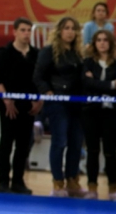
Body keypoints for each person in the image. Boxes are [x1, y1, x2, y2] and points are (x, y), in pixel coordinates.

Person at [33, 17, 86, 197]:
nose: (70, 32)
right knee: (60, 141)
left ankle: (72, 180)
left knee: (76, 142)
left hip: (76, 102)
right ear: (59, 31)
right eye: (66, 28)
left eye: (73, 28)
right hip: (57, 101)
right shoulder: (49, 51)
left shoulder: (79, 53)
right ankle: (57, 182)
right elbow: (38, 75)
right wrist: (47, 91)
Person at [0, 17, 42, 194]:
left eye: (29, 30)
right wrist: (6, 98)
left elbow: (41, 79)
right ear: (15, 32)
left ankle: (18, 181)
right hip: (8, 105)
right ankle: (3, 180)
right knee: (6, 142)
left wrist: (39, 100)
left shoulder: (36, 54)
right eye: (23, 30)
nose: (26, 33)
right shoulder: (4, 53)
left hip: (28, 106)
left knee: (23, 144)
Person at [81, 29, 116, 200]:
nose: (102, 43)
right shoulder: (87, 63)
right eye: (99, 40)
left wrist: (96, 83)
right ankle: (92, 187)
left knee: (110, 152)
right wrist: (111, 84)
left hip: (111, 112)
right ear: (94, 43)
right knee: (92, 150)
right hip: (91, 111)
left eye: (105, 39)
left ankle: (113, 188)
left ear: (110, 43)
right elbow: (87, 83)